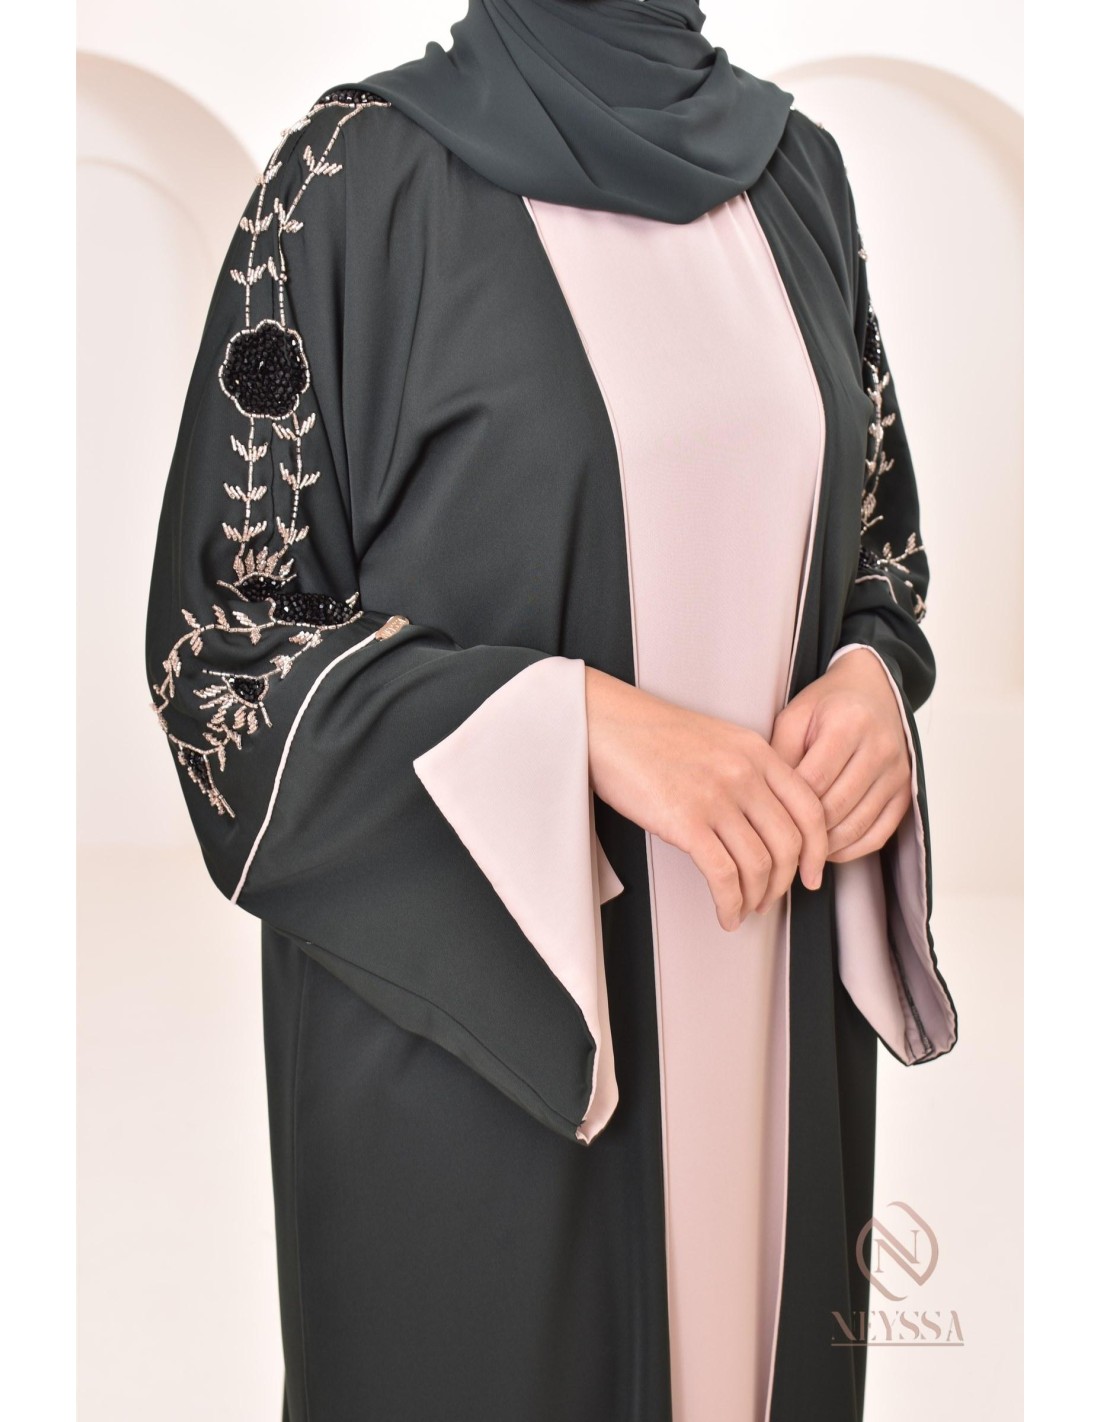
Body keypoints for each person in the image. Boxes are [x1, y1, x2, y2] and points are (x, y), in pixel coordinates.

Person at [144, 2, 959, 1418]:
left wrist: (875, 678)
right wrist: (581, 728)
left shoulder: (798, 176)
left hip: (771, 1004)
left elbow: (878, 544)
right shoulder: (351, 182)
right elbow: (220, 650)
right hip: (495, 1064)